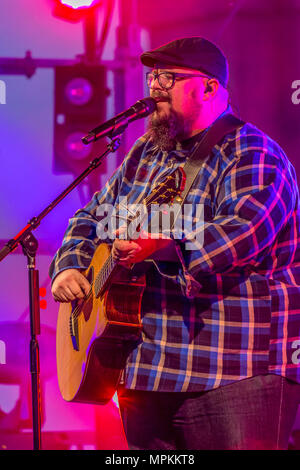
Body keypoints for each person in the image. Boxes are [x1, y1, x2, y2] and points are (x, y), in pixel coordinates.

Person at [49, 37, 300, 450]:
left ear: (209, 88)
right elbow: (93, 216)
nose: (155, 87)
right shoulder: (147, 154)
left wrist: (167, 244)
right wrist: (70, 265)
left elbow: (244, 230)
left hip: (233, 372)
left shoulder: (253, 153)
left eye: (168, 77)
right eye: (152, 76)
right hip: (148, 370)